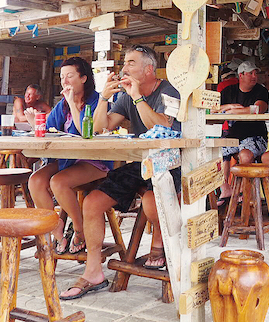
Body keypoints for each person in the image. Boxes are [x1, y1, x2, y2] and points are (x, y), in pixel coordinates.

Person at [59, 45, 181, 300]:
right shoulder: (125, 96)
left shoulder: (169, 91)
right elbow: (97, 129)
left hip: (170, 161)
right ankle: (93, 272)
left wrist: (137, 97)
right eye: (125, 63)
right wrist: (104, 98)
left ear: (149, 69)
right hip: (139, 163)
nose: (124, 68)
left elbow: (160, 126)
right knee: (92, 203)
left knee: (151, 202)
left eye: (131, 63)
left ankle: (160, 245)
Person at [26, 57, 109, 257]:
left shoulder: (96, 101)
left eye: (70, 76)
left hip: (93, 160)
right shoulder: (62, 103)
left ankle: (80, 229)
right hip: (67, 159)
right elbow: (48, 129)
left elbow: (86, 133)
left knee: (58, 182)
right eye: (62, 77)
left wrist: (72, 103)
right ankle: (57, 230)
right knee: (36, 180)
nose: (65, 81)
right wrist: (32, 122)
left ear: (83, 78)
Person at [216, 60, 269, 206]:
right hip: (233, 137)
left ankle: (244, 193)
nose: (254, 76)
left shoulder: (261, 90)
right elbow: (214, 109)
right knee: (215, 153)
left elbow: (258, 109)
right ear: (241, 75)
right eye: (250, 73)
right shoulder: (229, 91)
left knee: (245, 155)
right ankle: (225, 188)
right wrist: (230, 106)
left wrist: (232, 111)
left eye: (255, 73)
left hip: (256, 137)